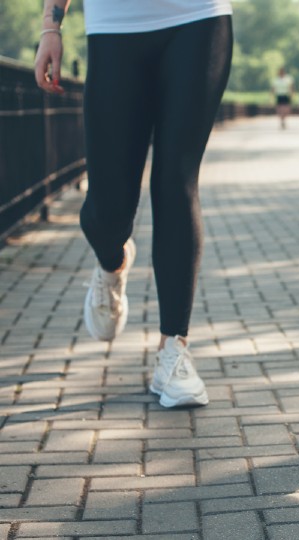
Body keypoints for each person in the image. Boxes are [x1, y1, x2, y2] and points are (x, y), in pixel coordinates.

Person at [34, 0, 233, 407]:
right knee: (108, 209)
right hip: (114, 27)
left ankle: (173, 349)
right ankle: (113, 261)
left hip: (199, 19)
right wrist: (50, 28)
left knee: (176, 180)